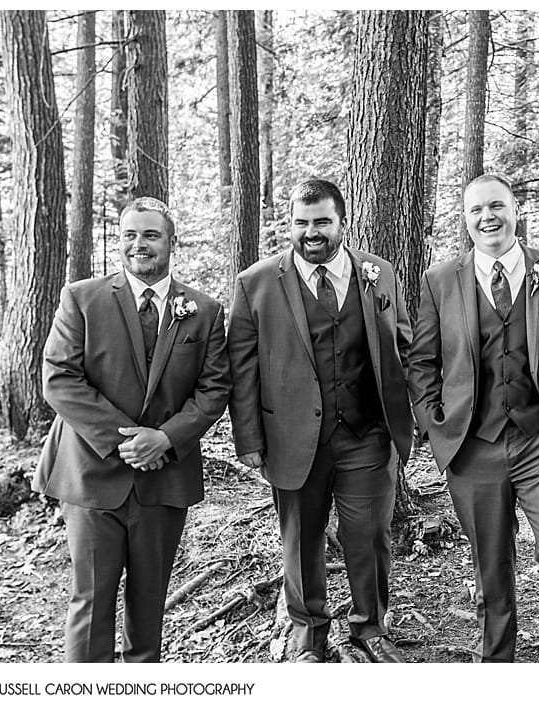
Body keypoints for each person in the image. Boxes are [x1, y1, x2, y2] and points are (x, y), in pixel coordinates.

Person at [409, 173, 539, 662]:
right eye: (476, 210)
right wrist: (438, 426)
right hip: (472, 446)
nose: (487, 217)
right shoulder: (439, 281)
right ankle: (498, 667)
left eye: (496, 205)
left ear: (516, 211)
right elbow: (422, 361)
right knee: (490, 567)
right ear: (466, 220)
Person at [35, 197, 231, 662]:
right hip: (91, 472)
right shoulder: (81, 298)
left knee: (149, 606)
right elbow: (59, 379)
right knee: (90, 602)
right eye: (129, 235)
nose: (138, 245)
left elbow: (215, 387)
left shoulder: (203, 311)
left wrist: (164, 438)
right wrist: (129, 440)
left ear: (171, 243)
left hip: (164, 476)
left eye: (150, 235)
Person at [227, 178, 413, 663]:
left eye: (322, 222)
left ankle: (370, 627)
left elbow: (405, 347)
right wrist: (247, 438)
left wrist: (422, 417)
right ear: (290, 225)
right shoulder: (257, 283)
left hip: (367, 434)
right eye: (301, 222)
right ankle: (308, 634)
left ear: (341, 222)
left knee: (369, 536)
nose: (311, 232)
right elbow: (241, 369)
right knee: (302, 538)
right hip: (290, 438)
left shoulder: (380, 274)